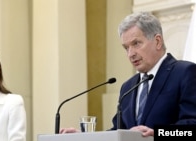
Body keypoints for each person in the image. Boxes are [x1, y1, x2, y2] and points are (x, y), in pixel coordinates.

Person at [59, 11, 196, 136]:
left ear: (157, 41)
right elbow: (118, 132)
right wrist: (84, 137)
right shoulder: (128, 87)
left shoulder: (185, 73)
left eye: (136, 44)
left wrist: (158, 134)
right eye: (126, 48)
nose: (131, 54)